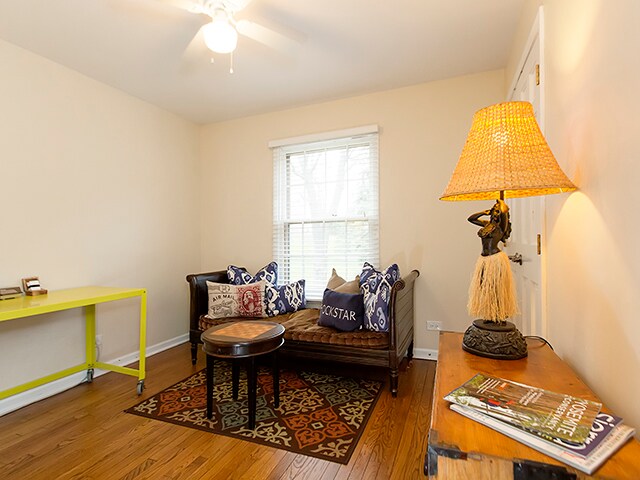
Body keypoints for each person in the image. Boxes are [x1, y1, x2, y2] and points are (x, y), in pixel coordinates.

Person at [466, 199, 518, 323]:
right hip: (484, 260)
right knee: (484, 286)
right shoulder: (487, 225)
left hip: (495, 260)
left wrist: (501, 203)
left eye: (496, 211)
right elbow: (471, 219)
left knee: (496, 288)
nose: (494, 212)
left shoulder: (501, 227)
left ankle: (498, 315)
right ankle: (489, 313)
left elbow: (505, 212)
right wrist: (484, 212)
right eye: (493, 210)